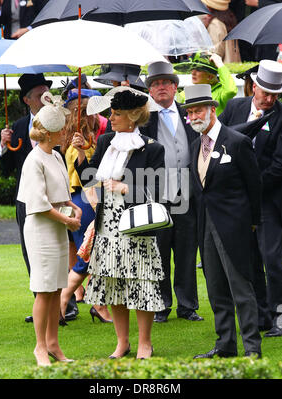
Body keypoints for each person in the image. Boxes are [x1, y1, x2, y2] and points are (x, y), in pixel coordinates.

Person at [73, 88, 165, 359]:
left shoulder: (152, 148)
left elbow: (157, 188)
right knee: (114, 285)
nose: (110, 118)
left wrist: (125, 187)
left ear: (133, 116)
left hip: (136, 225)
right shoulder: (105, 142)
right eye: (111, 113)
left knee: (141, 283)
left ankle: (145, 343)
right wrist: (80, 153)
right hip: (108, 225)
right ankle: (122, 342)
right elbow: (89, 177)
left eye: (116, 114)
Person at [184, 83, 262, 359]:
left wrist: (251, 223)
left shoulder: (237, 142)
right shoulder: (195, 146)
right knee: (216, 290)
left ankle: (252, 349)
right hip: (205, 228)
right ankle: (225, 345)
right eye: (190, 112)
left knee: (241, 290)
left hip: (235, 228)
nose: (194, 116)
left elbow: (255, 188)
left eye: (198, 110)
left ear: (212, 109)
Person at [219, 59, 282, 337]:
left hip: (268, 200)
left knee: (271, 257)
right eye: (265, 92)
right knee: (248, 259)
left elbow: (280, 165)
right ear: (254, 87)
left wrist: (253, 190)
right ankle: (262, 316)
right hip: (235, 201)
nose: (269, 99)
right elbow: (218, 140)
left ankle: (281, 315)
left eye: (275, 94)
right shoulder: (234, 108)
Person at [16, 92, 82, 366]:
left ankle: (54, 344)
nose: (65, 133)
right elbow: (40, 205)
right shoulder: (34, 160)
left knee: (56, 288)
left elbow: (61, 194)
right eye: (63, 129)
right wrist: (67, 219)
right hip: (42, 228)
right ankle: (40, 347)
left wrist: (72, 207)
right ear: (53, 132)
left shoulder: (55, 156)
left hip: (56, 226)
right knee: (44, 290)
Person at [140, 61, 203, 323]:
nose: (161, 87)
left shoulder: (189, 112)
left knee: (187, 250)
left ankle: (187, 306)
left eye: (166, 82)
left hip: (187, 192)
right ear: (150, 91)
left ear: (176, 87)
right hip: (158, 193)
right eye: (155, 84)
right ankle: (161, 305)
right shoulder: (143, 118)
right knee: (160, 250)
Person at [0, 73, 52, 322]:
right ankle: (40, 304)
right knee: (30, 250)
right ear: (27, 99)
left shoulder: (56, 122)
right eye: (39, 93)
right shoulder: (18, 127)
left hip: (53, 197)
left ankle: (66, 304)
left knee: (58, 249)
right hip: (25, 199)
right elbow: (7, 168)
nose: (45, 96)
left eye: (46, 91)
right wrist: (3, 145)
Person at [59, 88, 112, 323]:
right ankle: (66, 301)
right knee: (88, 255)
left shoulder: (81, 138)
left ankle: (95, 304)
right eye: (92, 111)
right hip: (85, 199)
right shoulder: (76, 143)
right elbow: (85, 178)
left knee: (90, 254)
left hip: (81, 199)